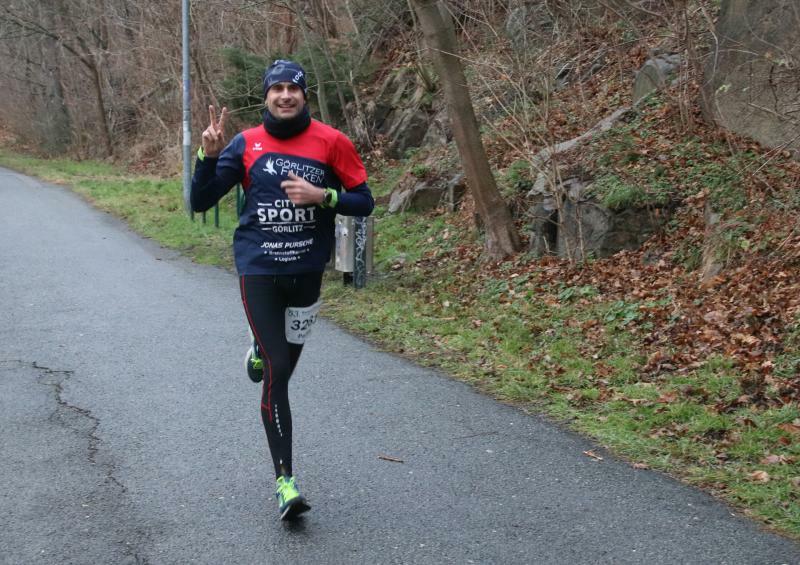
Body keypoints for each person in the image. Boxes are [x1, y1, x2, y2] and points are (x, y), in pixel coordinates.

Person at [190, 59, 374, 520]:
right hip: (260, 269)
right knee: (277, 371)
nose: (285, 96)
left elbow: (365, 201)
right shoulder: (245, 143)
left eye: (293, 88)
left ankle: (258, 346)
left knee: (282, 369)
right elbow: (199, 201)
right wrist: (207, 157)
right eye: (277, 89)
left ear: (304, 95)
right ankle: (285, 481)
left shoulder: (332, 142)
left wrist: (324, 196)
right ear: (266, 96)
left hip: (307, 273)